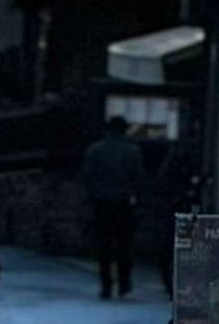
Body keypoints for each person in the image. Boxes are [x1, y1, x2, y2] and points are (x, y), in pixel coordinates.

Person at [78, 117, 145, 301]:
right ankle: (124, 282)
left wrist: (90, 197)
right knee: (124, 245)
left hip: (101, 202)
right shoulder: (133, 152)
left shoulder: (95, 150)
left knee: (104, 245)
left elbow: (86, 177)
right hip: (124, 202)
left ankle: (106, 285)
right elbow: (138, 178)